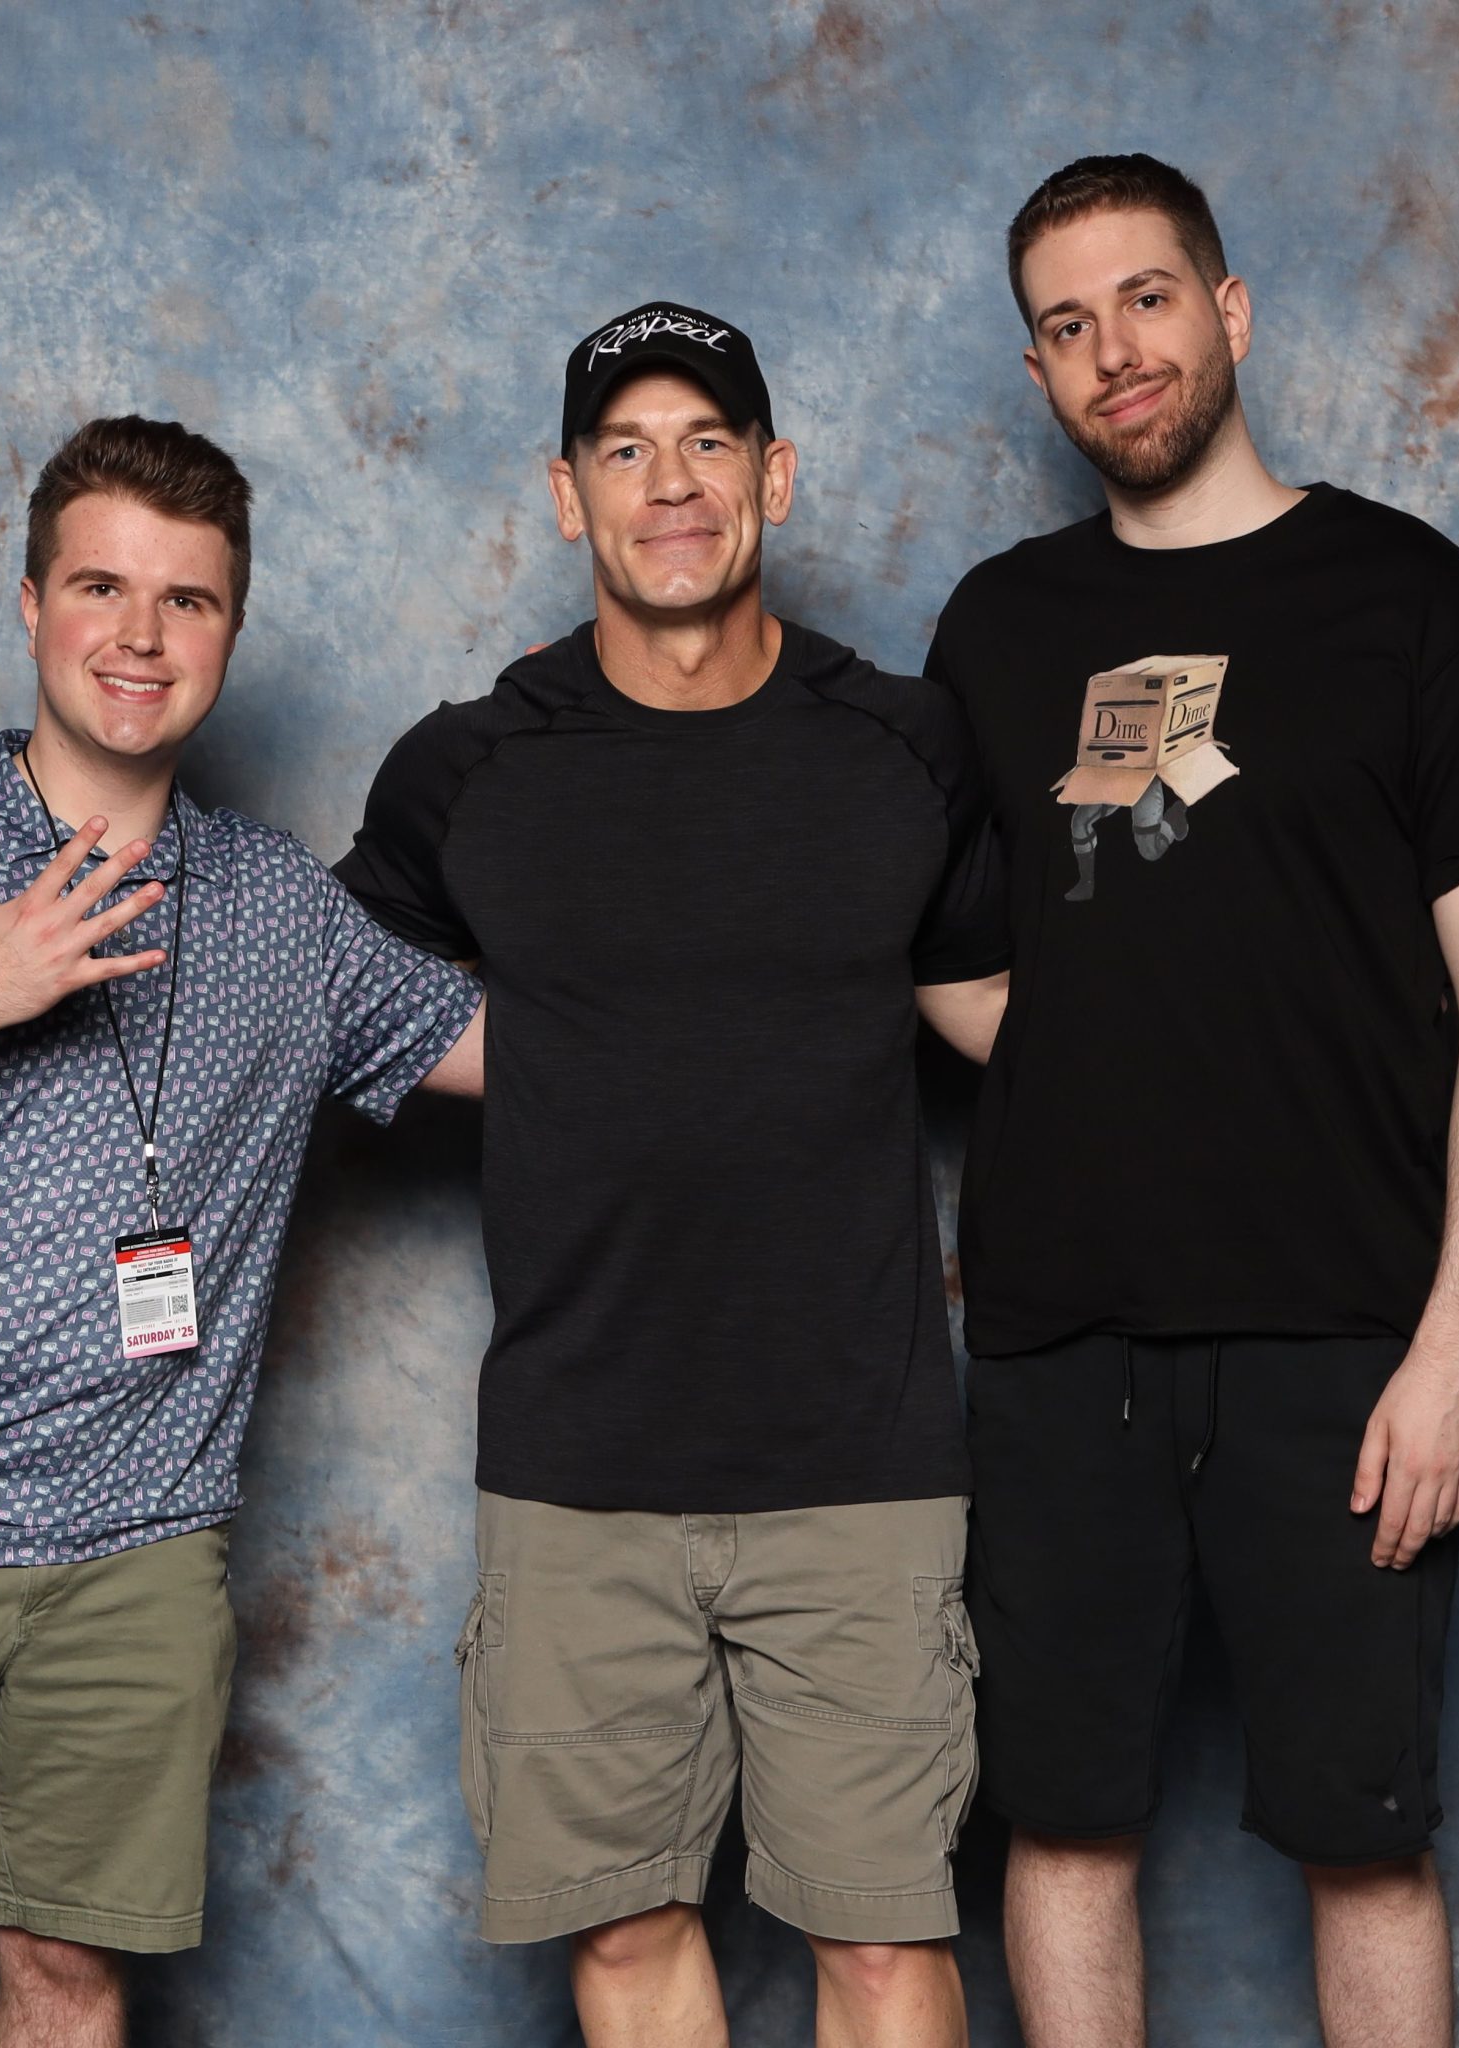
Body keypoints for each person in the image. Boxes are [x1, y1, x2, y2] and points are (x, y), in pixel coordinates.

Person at [0, 415, 484, 2048]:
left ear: (231, 631)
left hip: (141, 1551)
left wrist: (607, 759)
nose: (141, 638)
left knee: (67, 1982)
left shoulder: (283, 908)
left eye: (188, 602)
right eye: (102, 589)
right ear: (29, 604)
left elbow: (533, 1053)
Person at [924, 156, 1459, 2048]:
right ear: (1037, 374)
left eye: (1145, 298)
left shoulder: (1412, 604)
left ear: (1230, 311)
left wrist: (1453, 1348)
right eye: (1065, 323)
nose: (1113, 349)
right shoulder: (998, 629)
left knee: (1360, 1840)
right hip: (1062, 1340)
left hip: (1346, 1346)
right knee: (1066, 1823)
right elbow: (944, 958)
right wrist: (1106, 1056)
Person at [335, 302, 1011, 2047]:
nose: (671, 485)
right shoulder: (467, 771)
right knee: (628, 1937)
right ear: (567, 499)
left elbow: (1007, 1014)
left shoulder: (907, 747)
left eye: (708, 442)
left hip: (859, 1462)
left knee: (883, 1949)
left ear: (773, 475)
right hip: (579, 1467)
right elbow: (325, 1002)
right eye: (624, 451)